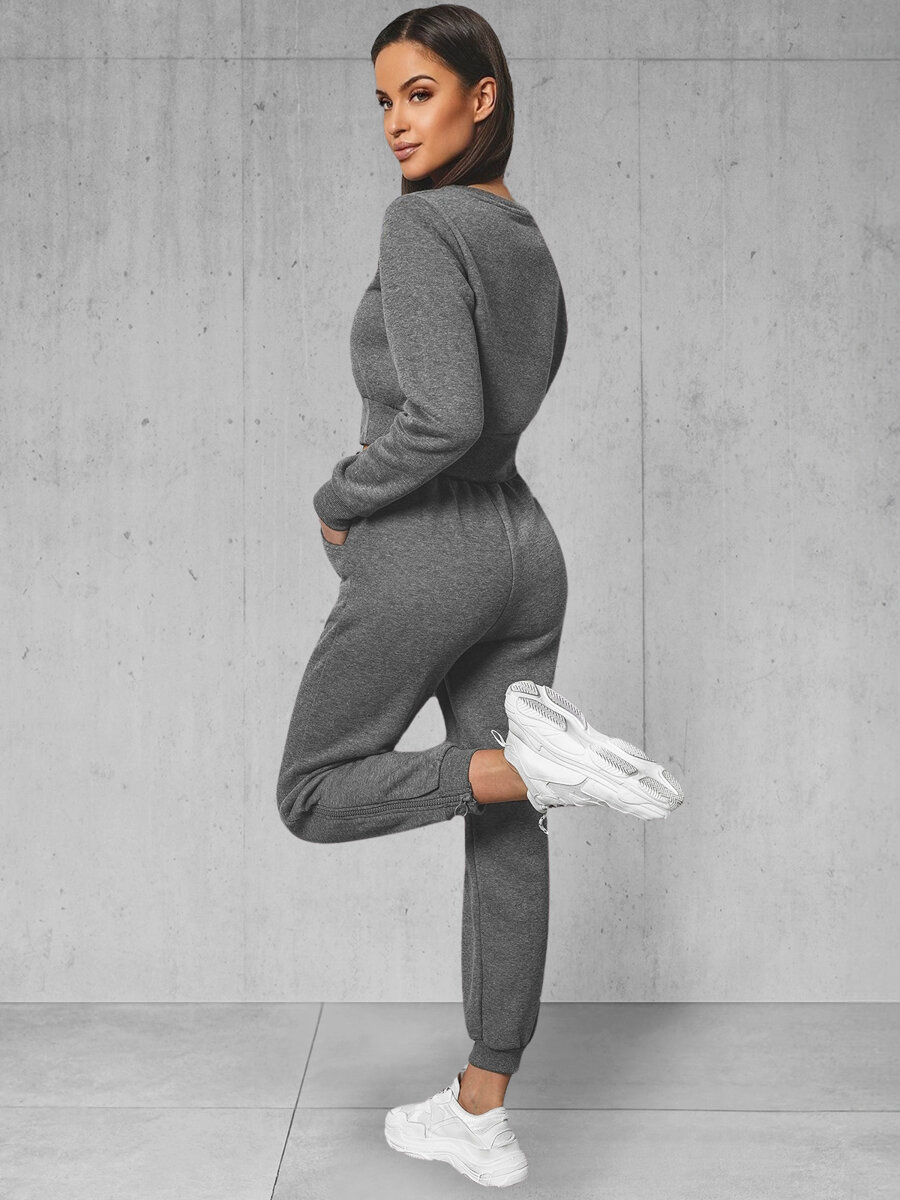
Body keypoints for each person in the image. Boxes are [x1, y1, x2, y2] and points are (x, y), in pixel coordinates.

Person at [276, 5, 684, 1188]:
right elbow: (509, 403)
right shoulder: (524, 239)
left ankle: (533, 764)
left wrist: (338, 496)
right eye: (383, 102)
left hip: (431, 548)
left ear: (481, 96)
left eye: (419, 93)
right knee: (505, 820)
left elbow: (445, 418)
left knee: (314, 792)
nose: (396, 124)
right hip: (525, 547)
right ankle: (480, 1109)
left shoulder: (421, 224)